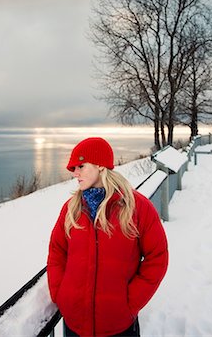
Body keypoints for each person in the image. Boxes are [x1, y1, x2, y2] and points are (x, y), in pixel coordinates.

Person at [47, 137, 168, 337]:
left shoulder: (137, 207)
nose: (75, 173)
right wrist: (61, 294)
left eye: (80, 166)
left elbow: (158, 256)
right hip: (74, 325)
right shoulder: (71, 208)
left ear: (100, 166)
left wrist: (130, 302)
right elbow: (57, 251)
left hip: (119, 326)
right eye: (73, 168)